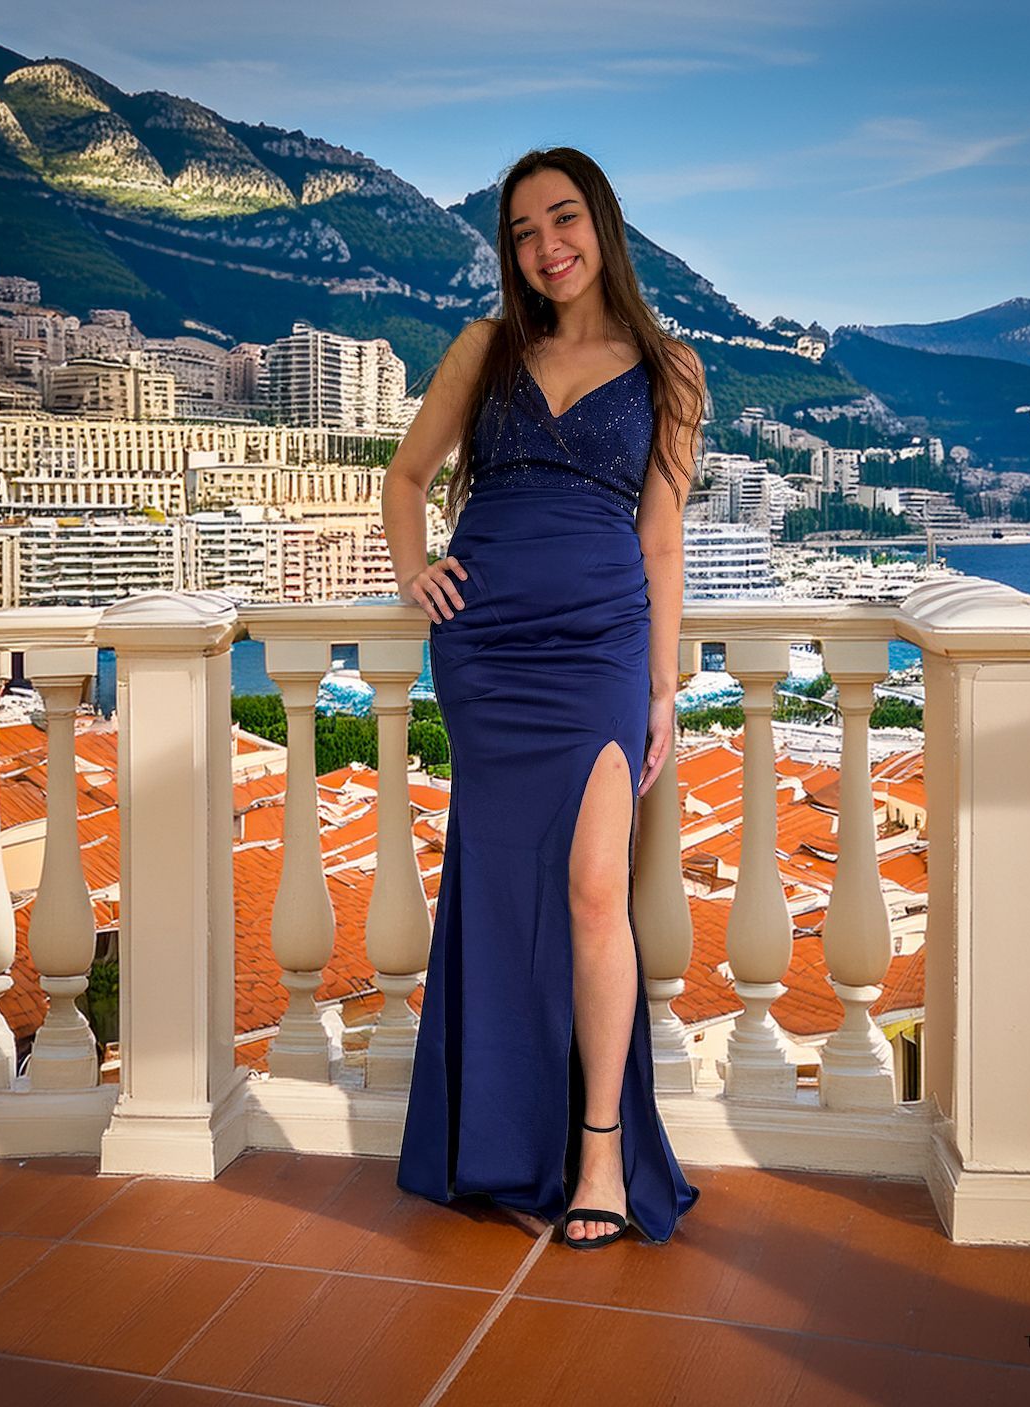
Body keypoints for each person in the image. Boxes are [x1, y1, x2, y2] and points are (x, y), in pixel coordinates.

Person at [382, 146, 703, 1249]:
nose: (544, 247)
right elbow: (405, 475)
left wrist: (659, 691)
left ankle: (602, 1153)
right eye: (521, 232)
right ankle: (501, 1142)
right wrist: (409, 569)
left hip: (603, 653)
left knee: (591, 889)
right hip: (487, 650)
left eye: (561, 220)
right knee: (504, 891)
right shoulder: (484, 349)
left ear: (602, 224)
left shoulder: (672, 370)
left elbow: (660, 541)